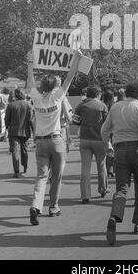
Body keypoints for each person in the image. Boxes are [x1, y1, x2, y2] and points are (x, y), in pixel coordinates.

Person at [26, 49, 82, 226]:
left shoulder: (35, 97)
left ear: (42, 85)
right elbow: (69, 77)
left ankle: (36, 205)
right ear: (54, 86)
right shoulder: (58, 96)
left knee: (41, 177)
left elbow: (30, 81)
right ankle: (53, 207)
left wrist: (30, 62)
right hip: (57, 140)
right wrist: (77, 58)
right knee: (56, 176)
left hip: (40, 142)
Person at [101, 80, 138, 246]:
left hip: (119, 150)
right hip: (137, 149)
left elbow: (104, 130)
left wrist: (108, 145)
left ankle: (114, 216)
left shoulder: (115, 107)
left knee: (122, 188)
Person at [73, 85, 109, 203]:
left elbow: (75, 121)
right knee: (101, 165)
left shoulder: (81, 105)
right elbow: (107, 124)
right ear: (98, 94)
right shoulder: (103, 106)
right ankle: (103, 189)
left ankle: (85, 195)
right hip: (99, 139)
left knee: (85, 168)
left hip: (84, 140)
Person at [5, 88, 34, 178]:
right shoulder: (28, 105)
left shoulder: (11, 105)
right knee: (24, 150)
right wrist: (33, 131)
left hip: (13, 132)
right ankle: (25, 166)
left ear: (16, 95)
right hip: (25, 131)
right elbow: (31, 120)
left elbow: (7, 119)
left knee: (15, 151)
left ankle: (16, 171)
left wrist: (7, 127)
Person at [102, 89, 115, 178]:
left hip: (103, 132)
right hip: (109, 132)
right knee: (110, 152)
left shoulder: (102, 105)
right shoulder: (108, 107)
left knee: (108, 153)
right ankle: (108, 170)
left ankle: (108, 170)